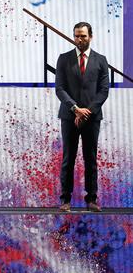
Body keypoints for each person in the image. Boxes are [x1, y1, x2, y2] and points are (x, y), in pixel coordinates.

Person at [55, 22, 109, 212]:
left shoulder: (101, 60)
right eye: (77, 35)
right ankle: (65, 200)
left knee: (90, 158)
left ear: (90, 36)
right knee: (68, 158)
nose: (80, 39)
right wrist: (75, 109)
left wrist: (87, 112)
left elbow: (103, 91)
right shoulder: (63, 59)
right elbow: (60, 89)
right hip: (69, 117)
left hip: (92, 118)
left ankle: (92, 199)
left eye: (83, 36)